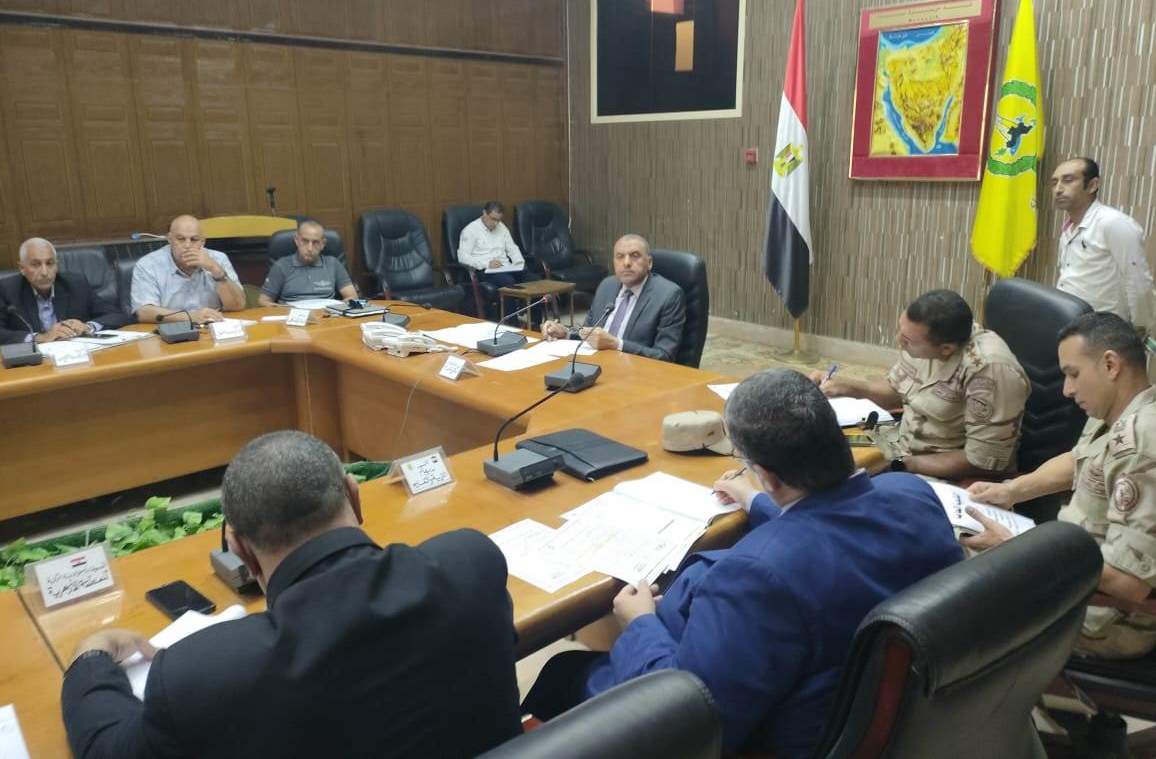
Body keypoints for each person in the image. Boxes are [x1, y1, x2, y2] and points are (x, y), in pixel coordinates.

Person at [521, 369, 961, 757]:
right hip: (874, 706)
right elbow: (835, 527)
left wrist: (639, 622)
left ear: (766, 474)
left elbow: (689, 717)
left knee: (562, 672)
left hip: (769, 728)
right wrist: (757, 501)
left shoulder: (757, 578)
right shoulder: (912, 494)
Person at [60, 430, 522, 758]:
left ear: (240, 550)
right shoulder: (471, 563)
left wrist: (91, 658)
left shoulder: (200, 675)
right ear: (354, 496)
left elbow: (105, 748)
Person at [965, 312, 1156, 659]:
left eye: (1073, 374)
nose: (1067, 390)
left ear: (1110, 365)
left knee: (952, 602)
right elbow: (1079, 460)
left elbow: (1128, 583)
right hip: (1070, 569)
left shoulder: (1143, 444)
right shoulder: (1117, 411)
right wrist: (1011, 490)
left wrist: (1018, 548)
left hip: (1102, 616)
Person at [813, 289, 1030, 480]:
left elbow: (983, 461)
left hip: (945, 471)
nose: (898, 341)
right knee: (817, 453)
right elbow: (894, 391)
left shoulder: (989, 371)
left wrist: (901, 465)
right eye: (900, 330)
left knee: (851, 496)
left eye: (906, 340)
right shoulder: (926, 336)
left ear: (946, 349)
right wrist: (847, 388)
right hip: (902, 445)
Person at [541, 234, 685, 362]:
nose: (626, 263)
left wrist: (616, 344)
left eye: (634, 256)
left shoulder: (668, 295)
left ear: (649, 262)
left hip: (635, 374)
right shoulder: (607, 285)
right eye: (620, 256)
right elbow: (589, 332)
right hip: (594, 364)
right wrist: (565, 333)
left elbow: (664, 356)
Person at [1053, 157, 1154, 332]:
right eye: (1054, 183)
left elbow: (1137, 281)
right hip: (1068, 326)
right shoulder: (1068, 228)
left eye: (1068, 180)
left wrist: (1140, 327)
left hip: (1104, 333)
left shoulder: (1113, 223)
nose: (1058, 189)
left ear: (1093, 185)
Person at [0, 238, 132, 345]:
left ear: (57, 265)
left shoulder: (75, 284)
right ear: (22, 268)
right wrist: (40, 337)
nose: (45, 272)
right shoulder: (7, 289)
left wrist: (88, 326)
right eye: (36, 264)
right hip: (31, 363)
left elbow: (116, 315)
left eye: (50, 263)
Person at [130, 215, 245, 325]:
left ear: (203, 242)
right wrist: (190, 317)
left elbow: (238, 305)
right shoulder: (148, 265)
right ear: (170, 239)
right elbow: (144, 312)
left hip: (215, 328)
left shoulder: (218, 259)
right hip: (170, 331)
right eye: (181, 239)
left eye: (194, 239)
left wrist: (216, 270)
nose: (187, 245)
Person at [257, 220, 357, 307]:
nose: (310, 248)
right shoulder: (281, 266)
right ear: (297, 240)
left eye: (315, 242)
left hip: (326, 316)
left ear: (323, 244)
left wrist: (337, 309)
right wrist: (284, 311)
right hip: (292, 317)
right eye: (305, 241)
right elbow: (263, 301)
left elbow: (352, 296)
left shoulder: (333, 264)